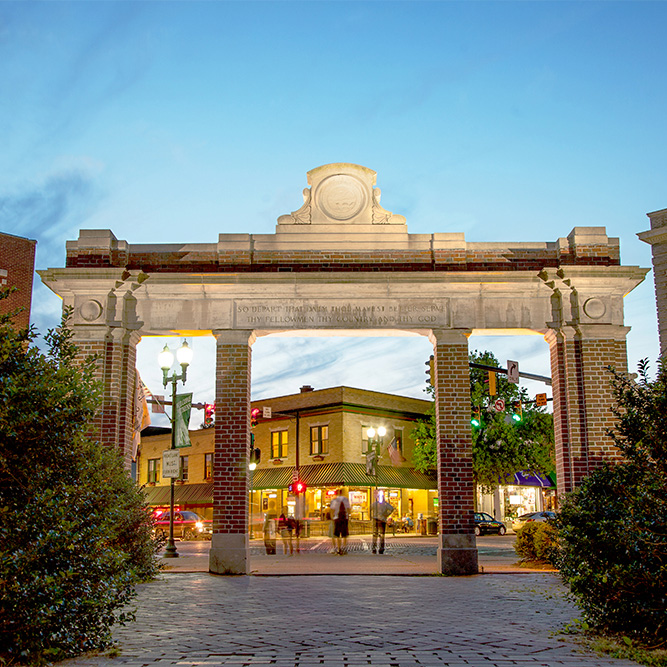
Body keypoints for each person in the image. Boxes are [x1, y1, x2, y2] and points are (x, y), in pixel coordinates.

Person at [329, 489, 350, 555]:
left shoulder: (335, 500)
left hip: (337, 519)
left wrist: (332, 518)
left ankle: (339, 548)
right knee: (344, 535)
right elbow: (349, 509)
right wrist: (348, 516)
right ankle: (344, 548)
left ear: (337, 493)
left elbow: (332, 510)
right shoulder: (346, 500)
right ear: (342, 492)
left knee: (337, 535)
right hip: (344, 519)